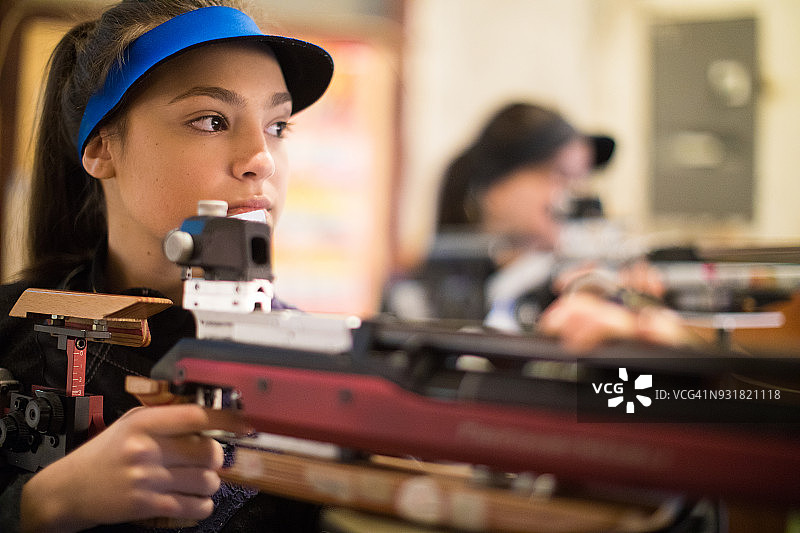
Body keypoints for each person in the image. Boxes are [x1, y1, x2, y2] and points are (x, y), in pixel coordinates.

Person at [0, 1, 334, 531]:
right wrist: (44, 505)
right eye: (211, 120)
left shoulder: (332, 370)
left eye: (278, 126)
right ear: (102, 147)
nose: (262, 159)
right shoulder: (12, 331)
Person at [383, 102, 620, 328]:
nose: (572, 196)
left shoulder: (575, 288)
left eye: (580, 180)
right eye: (557, 174)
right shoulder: (417, 295)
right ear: (492, 187)